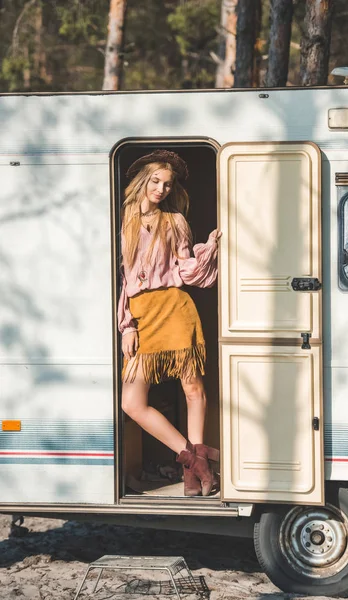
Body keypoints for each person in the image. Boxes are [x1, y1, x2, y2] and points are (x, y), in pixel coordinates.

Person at [117, 149, 222, 497]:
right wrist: (127, 325)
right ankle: (195, 461)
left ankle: (194, 473)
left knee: (193, 388)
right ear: (143, 181)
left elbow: (185, 268)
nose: (161, 189)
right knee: (132, 402)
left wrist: (208, 249)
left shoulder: (174, 221)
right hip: (142, 315)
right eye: (156, 181)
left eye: (167, 184)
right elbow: (121, 279)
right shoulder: (122, 220)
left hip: (175, 309)